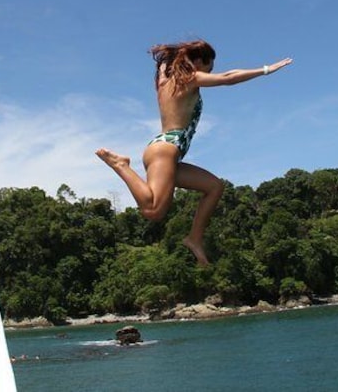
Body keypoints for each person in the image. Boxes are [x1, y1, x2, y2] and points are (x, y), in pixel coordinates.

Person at [96, 39, 293, 265]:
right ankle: (121, 165)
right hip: (165, 151)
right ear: (199, 62)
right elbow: (229, 77)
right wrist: (266, 69)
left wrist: (176, 56)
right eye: (209, 68)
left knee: (214, 187)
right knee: (153, 211)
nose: (210, 73)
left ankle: (194, 238)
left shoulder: (164, 80)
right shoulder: (190, 80)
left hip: (169, 154)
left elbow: (166, 64)